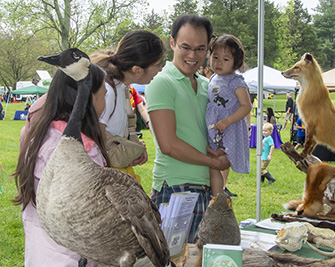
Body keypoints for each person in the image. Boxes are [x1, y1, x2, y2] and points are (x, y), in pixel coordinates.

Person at [13, 63, 108, 266]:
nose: (105, 103)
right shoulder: (83, 152)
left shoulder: (39, 135)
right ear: (88, 98)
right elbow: (92, 217)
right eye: (104, 95)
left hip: (40, 254)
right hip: (72, 257)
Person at [146, 14, 230, 243]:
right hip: (174, 190)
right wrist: (214, 162)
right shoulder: (161, 82)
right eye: (185, 47)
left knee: (201, 258)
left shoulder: (207, 85)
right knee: (172, 260)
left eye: (200, 48)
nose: (192, 56)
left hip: (206, 189)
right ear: (172, 43)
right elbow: (168, 145)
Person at [90, 30, 165, 180]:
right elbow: (94, 143)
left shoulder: (120, 87)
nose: (160, 69)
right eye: (158, 64)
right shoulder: (108, 92)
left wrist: (129, 149)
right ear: (137, 70)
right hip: (103, 178)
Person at [205, 34, 251, 197]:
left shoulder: (235, 82)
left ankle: (220, 193)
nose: (218, 62)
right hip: (213, 126)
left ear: (235, 62)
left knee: (221, 160)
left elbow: (246, 106)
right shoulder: (213, 78)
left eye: (225, 59)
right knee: (212, 161)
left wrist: (228, 120)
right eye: (215, 57)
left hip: (228, 128)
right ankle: (216, 195)